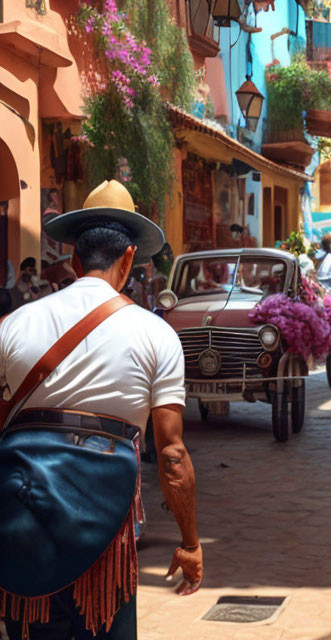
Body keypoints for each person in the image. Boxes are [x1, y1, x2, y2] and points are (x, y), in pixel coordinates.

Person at [0, 180, 202, 639]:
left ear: (72, 259)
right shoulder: (156, 336)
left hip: (21, 527)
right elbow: (172, 455)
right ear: (129, 258)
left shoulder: (13, 325)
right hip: (105, 543)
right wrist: (190, 543)